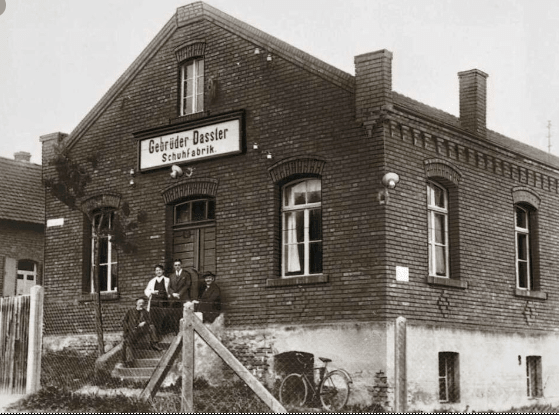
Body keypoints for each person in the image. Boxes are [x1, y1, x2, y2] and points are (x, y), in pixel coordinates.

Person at [121, 297, 162, 367]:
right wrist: (127, 329)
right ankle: (129, 361)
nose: (141, 304)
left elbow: (150, 321)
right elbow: (124, 321)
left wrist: (144, 322)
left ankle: (154, 343)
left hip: (141, 331)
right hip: (132, 331)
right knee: (127, 343)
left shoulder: (145, 312)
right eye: (140, 303)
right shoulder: (130, 311)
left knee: (151, 326)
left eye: (142, 303)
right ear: (136, 303)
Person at [168, 260, 194, 333]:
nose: (177, 267)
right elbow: (169, 287)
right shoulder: (171, 276)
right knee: (175, 315)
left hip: (183, 297)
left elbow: (187, 285)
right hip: (174, 299)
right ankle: (176, 331)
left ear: (181, 265)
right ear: (174, 266)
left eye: (178, 265)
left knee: (184, 315)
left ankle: (185, 332)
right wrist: (173, 293)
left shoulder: (186, 274)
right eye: (175, 265)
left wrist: (179, 294)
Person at [144, 264, 170, 336]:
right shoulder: (152, 281)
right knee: (155, 317)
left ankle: (163, 333)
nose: (158, 272)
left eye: (160, 270)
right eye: (157, 270)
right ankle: (156, 334)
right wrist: (152, 292)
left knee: (164, 317)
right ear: (155, 272)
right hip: (154, 302)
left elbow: (170, 290)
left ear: (163, 271)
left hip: (164, 301)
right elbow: (146, 290)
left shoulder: (167, 280)